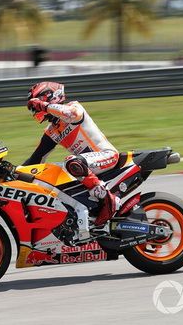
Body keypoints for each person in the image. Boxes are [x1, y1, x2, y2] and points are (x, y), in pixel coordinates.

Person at [24, 81, 119, 227]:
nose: (35, 109)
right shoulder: (52, 130)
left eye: (37, 102)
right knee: (53, 172)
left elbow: (70, 114)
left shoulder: (74, 108)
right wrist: (13, 172)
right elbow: (36, 159)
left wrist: (44, 106)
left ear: (50, 96)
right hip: (86, 166)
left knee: (71, 161)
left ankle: (108, 200)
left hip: (107, 156)